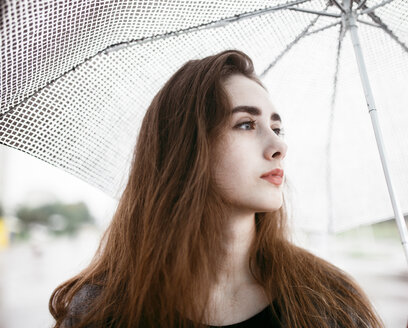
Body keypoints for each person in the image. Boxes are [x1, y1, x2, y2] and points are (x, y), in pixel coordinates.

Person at [49, 50, 384, 327]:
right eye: (246, 124)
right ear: (188, 147)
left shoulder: (328, 300)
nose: (279, 145)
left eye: (277, 127)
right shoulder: (100, 311)